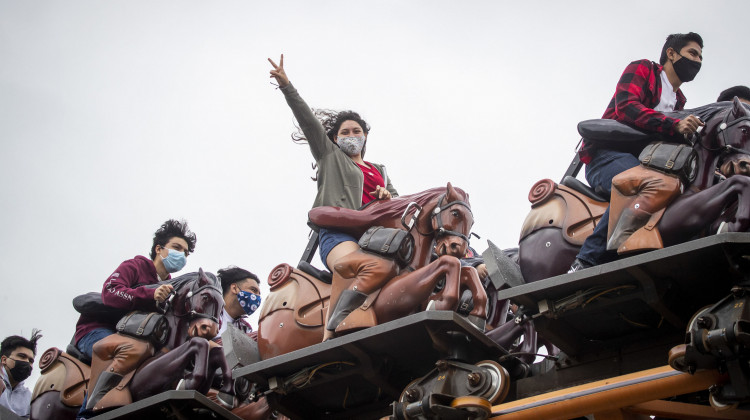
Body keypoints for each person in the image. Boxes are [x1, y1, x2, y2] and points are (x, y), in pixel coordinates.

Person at [269, 55, 398, 339]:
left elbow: (401, 207)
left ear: (365, 136)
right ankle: (332, 333)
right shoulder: (330, 156)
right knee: (353, 264)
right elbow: (308, 121)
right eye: (345, 132)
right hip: (340, 235)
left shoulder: (381, 171)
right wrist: (287, 86)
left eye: (357, 131)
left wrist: (387, 197)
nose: (351, 135)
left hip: (376, 238)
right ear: (336, 138)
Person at [569, 32, 705, 272]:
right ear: (671, 54)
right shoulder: (644, 69)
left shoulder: (679, 102)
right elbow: (627, 107)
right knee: (643, 185)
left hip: (646, 165)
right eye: (692, 53)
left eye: (701, 57)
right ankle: (585, 261)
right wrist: (674, 125)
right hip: (606, 157)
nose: (698, 61)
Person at [73, 219, 197, 359]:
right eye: (177, 248)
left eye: (186, 253)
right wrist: (151, 294)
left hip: (133, 339)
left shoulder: (172, 287)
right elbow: (109, 292)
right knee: (122, 358)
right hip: (98, 330)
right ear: (158, 249)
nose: (182, 255)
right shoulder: (134, 266)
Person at [214, 266, 262, 344]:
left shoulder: (245, 328)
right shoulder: (209, 312)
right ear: (234, 288)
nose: (258, 297)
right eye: (253, 290)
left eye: (259, 294)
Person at [0, 330, 42, 418]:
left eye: (31, 361)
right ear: (4, 360)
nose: (27, 362)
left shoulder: (29, 398)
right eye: (22, 356)